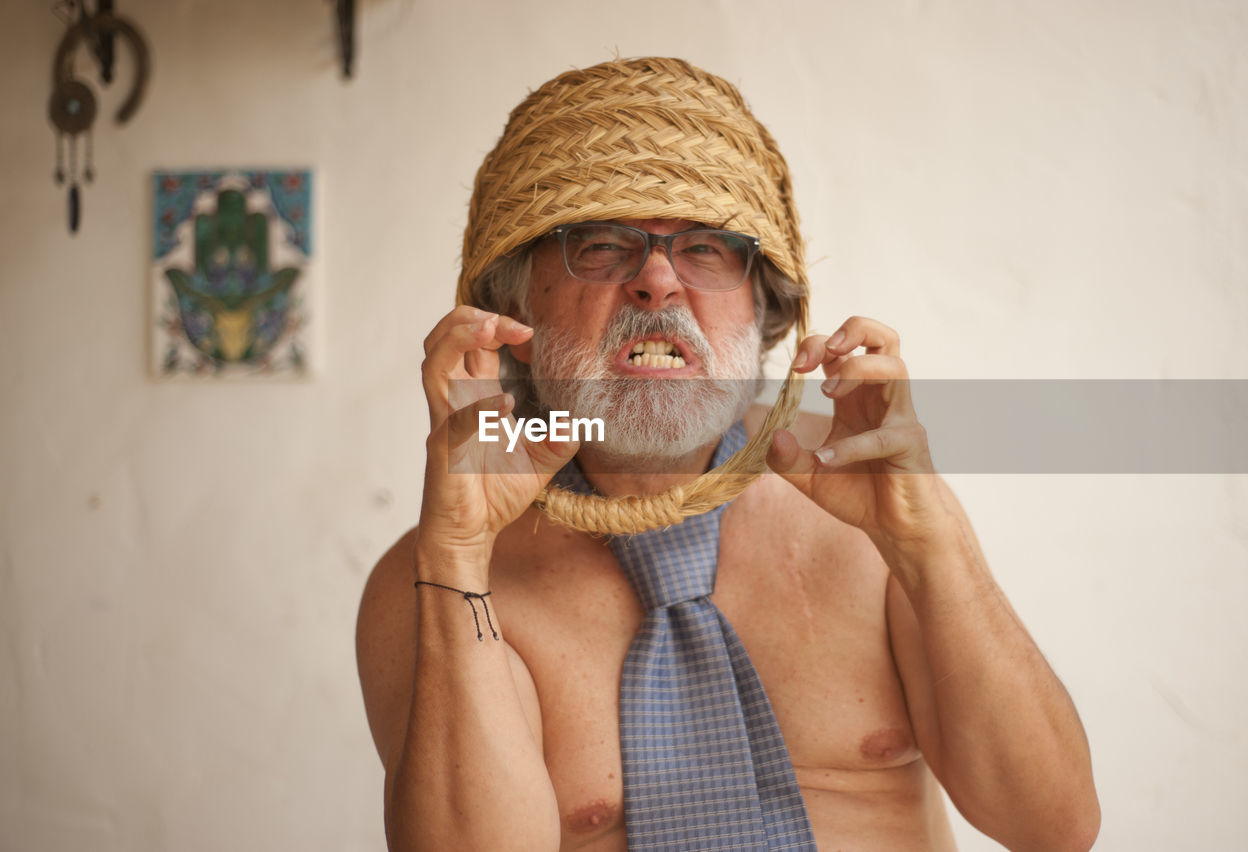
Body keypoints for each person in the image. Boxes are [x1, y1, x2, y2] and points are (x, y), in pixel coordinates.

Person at [356, 57, 1100, 851]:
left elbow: (1052, 828)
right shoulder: (435, 578)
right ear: (512, 306)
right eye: (603, 245)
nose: (657, 281)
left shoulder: (872, 508)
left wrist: (932, 541)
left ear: (765, 302)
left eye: (707, 249)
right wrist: (459, 553)